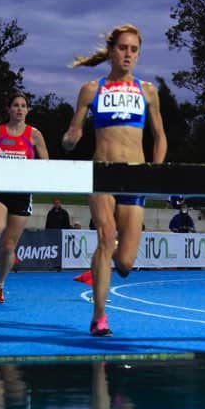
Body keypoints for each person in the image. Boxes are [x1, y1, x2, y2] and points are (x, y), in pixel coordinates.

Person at [63, 24, 167, 337]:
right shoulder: (92, 89)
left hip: (134, 177)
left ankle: (113, 263)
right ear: (111, 51)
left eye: (134, 49)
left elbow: (160, 137)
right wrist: (71, 138)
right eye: (123, 48)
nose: (128, 54)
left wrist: (154, 172)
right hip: (102, 173)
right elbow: (71, 137)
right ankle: (99, 317)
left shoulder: (147, 91)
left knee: (125, 262)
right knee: (106, 237)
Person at [0, 92, 50, 304]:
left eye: (23, 106)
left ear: (27, 110)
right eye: (15, 105)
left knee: (9, 247)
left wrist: (34, 172)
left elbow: (46, 163)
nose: (19, 109)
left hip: (22, 194)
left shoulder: (34, 135)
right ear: (8, 109)